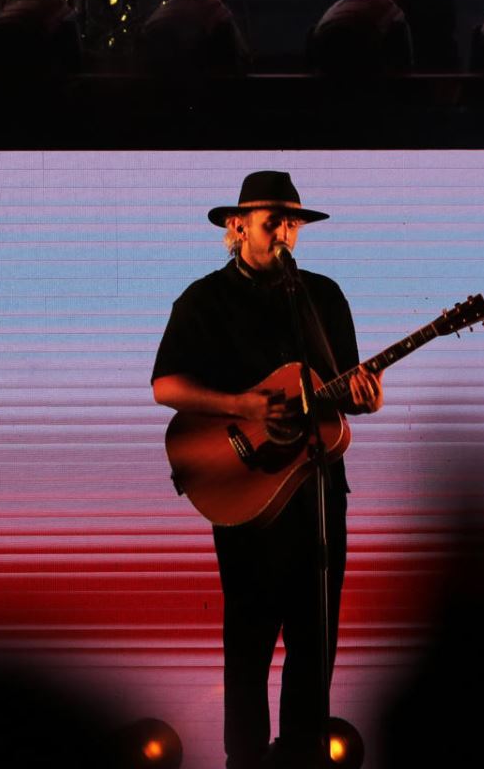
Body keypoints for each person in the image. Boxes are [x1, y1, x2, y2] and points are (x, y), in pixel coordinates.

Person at [149, 172, 382, 769]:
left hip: (318, 489)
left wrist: (363, 397)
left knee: (315, 639)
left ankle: (304, 755)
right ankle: (245, 759)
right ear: (237, 226)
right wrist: (245, 406)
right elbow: (165, 385)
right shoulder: (204, 298)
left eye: (293, 223)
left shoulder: (322, 296)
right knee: (249, 639)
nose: (285, 233)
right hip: (243, 485)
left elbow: (343, 386)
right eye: (273, 220)